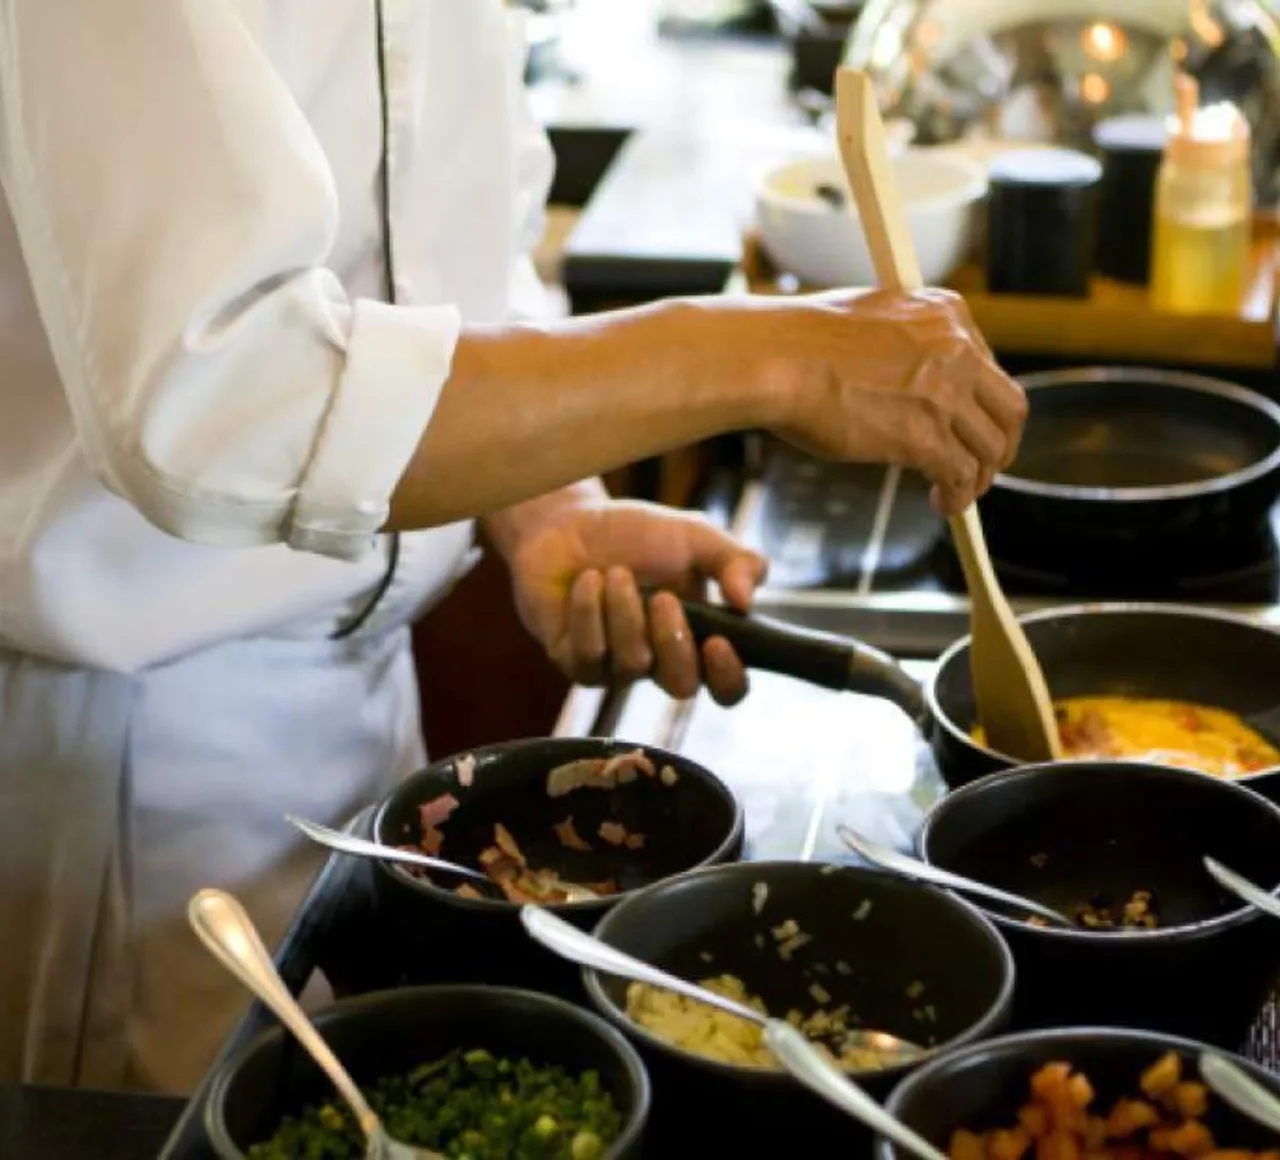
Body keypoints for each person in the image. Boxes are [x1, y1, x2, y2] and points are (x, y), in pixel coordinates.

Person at [0, 0, 1026, 1095]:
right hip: (130, 768)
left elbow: (448, 274)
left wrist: (541, 502)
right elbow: (221, 398)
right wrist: (771, 358)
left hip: (365, 726)